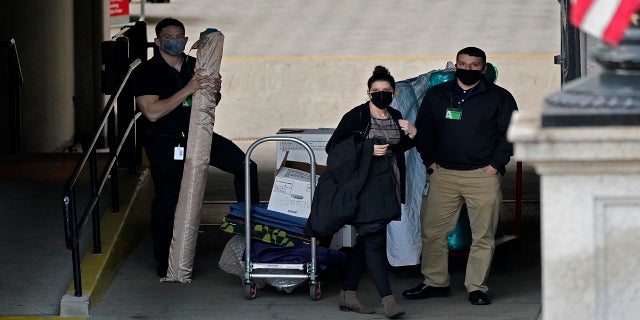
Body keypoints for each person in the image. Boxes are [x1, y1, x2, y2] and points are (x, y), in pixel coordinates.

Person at [129, 17, 260, 277]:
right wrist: (189, 88)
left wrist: (214, 91)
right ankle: (165, 261)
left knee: (246, 166)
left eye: (179, 36)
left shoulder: (194, 65)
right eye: (168, 37)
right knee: (168, 199)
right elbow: (152, 112)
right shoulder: (146, 72)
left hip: (198, 135)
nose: (175, 41)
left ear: (187, 40)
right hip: (165, 142)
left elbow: (208, 102)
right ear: (157, 42)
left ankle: (251, 232)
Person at [403, 47, 518, 305]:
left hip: (482, 176)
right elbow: (426, 130)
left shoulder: (499, 97)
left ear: (483, 68)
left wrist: (494, 166)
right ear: (456, 65)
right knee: (433, 232)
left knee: (483, 236)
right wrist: (430, 162)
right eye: (463, 64)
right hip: (443, 174)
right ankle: (435, 282)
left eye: (474, 65)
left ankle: (476, 287)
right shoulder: (437, 95)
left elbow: (510, 134)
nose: (468, 69)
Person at [310, 66, 416, 319]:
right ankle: (388, 301)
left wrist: (412, 134)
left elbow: (399, 148)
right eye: (375, 91)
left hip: (387, 183)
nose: (381, 95)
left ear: (394, 92)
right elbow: (333, 148)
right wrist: (367, 149)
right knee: (374, 241)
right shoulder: (356, 116)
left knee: (367, 240)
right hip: (363, 185)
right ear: (368, 92)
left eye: (386, 91)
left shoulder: (396, 115)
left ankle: (347, 294)